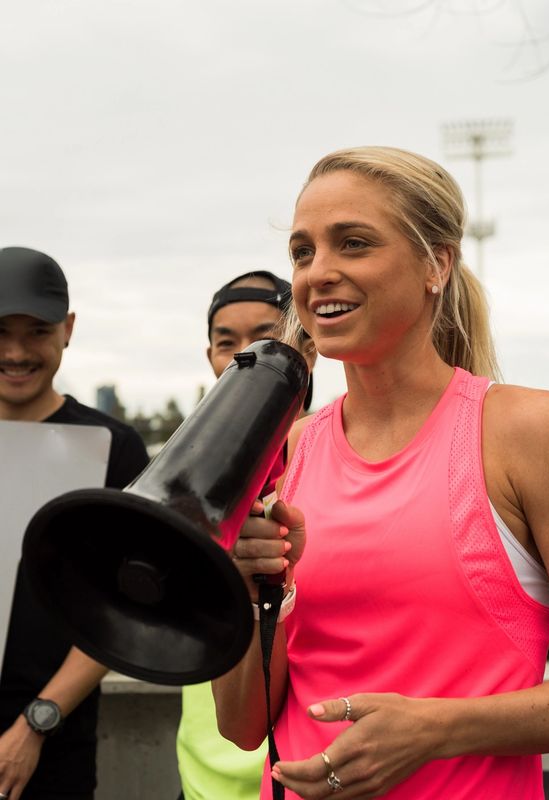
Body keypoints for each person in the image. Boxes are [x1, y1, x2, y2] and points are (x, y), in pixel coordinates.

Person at [212, 147, 549, 800]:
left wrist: (438, 729)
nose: (318, 275)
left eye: (354, 244)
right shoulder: (291, 449)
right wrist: (253, 596)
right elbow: (242, 726)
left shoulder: (526, 430)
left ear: (435, 263)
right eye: (303, 253)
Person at [0, 246, 149, 800]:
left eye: (36, 331)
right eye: (0, 331)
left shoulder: (115, 447)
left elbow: (121, 609)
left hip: (49, 743)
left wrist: (38, 720)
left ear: (68, 329)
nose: (15, 352)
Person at [176, 270, 315, 800]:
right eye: (226, 342)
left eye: (265, 335)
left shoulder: (336, 453)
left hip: (307, 766)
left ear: (306, 343)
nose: (246, 352)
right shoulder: (182, 471)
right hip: (206, 766)